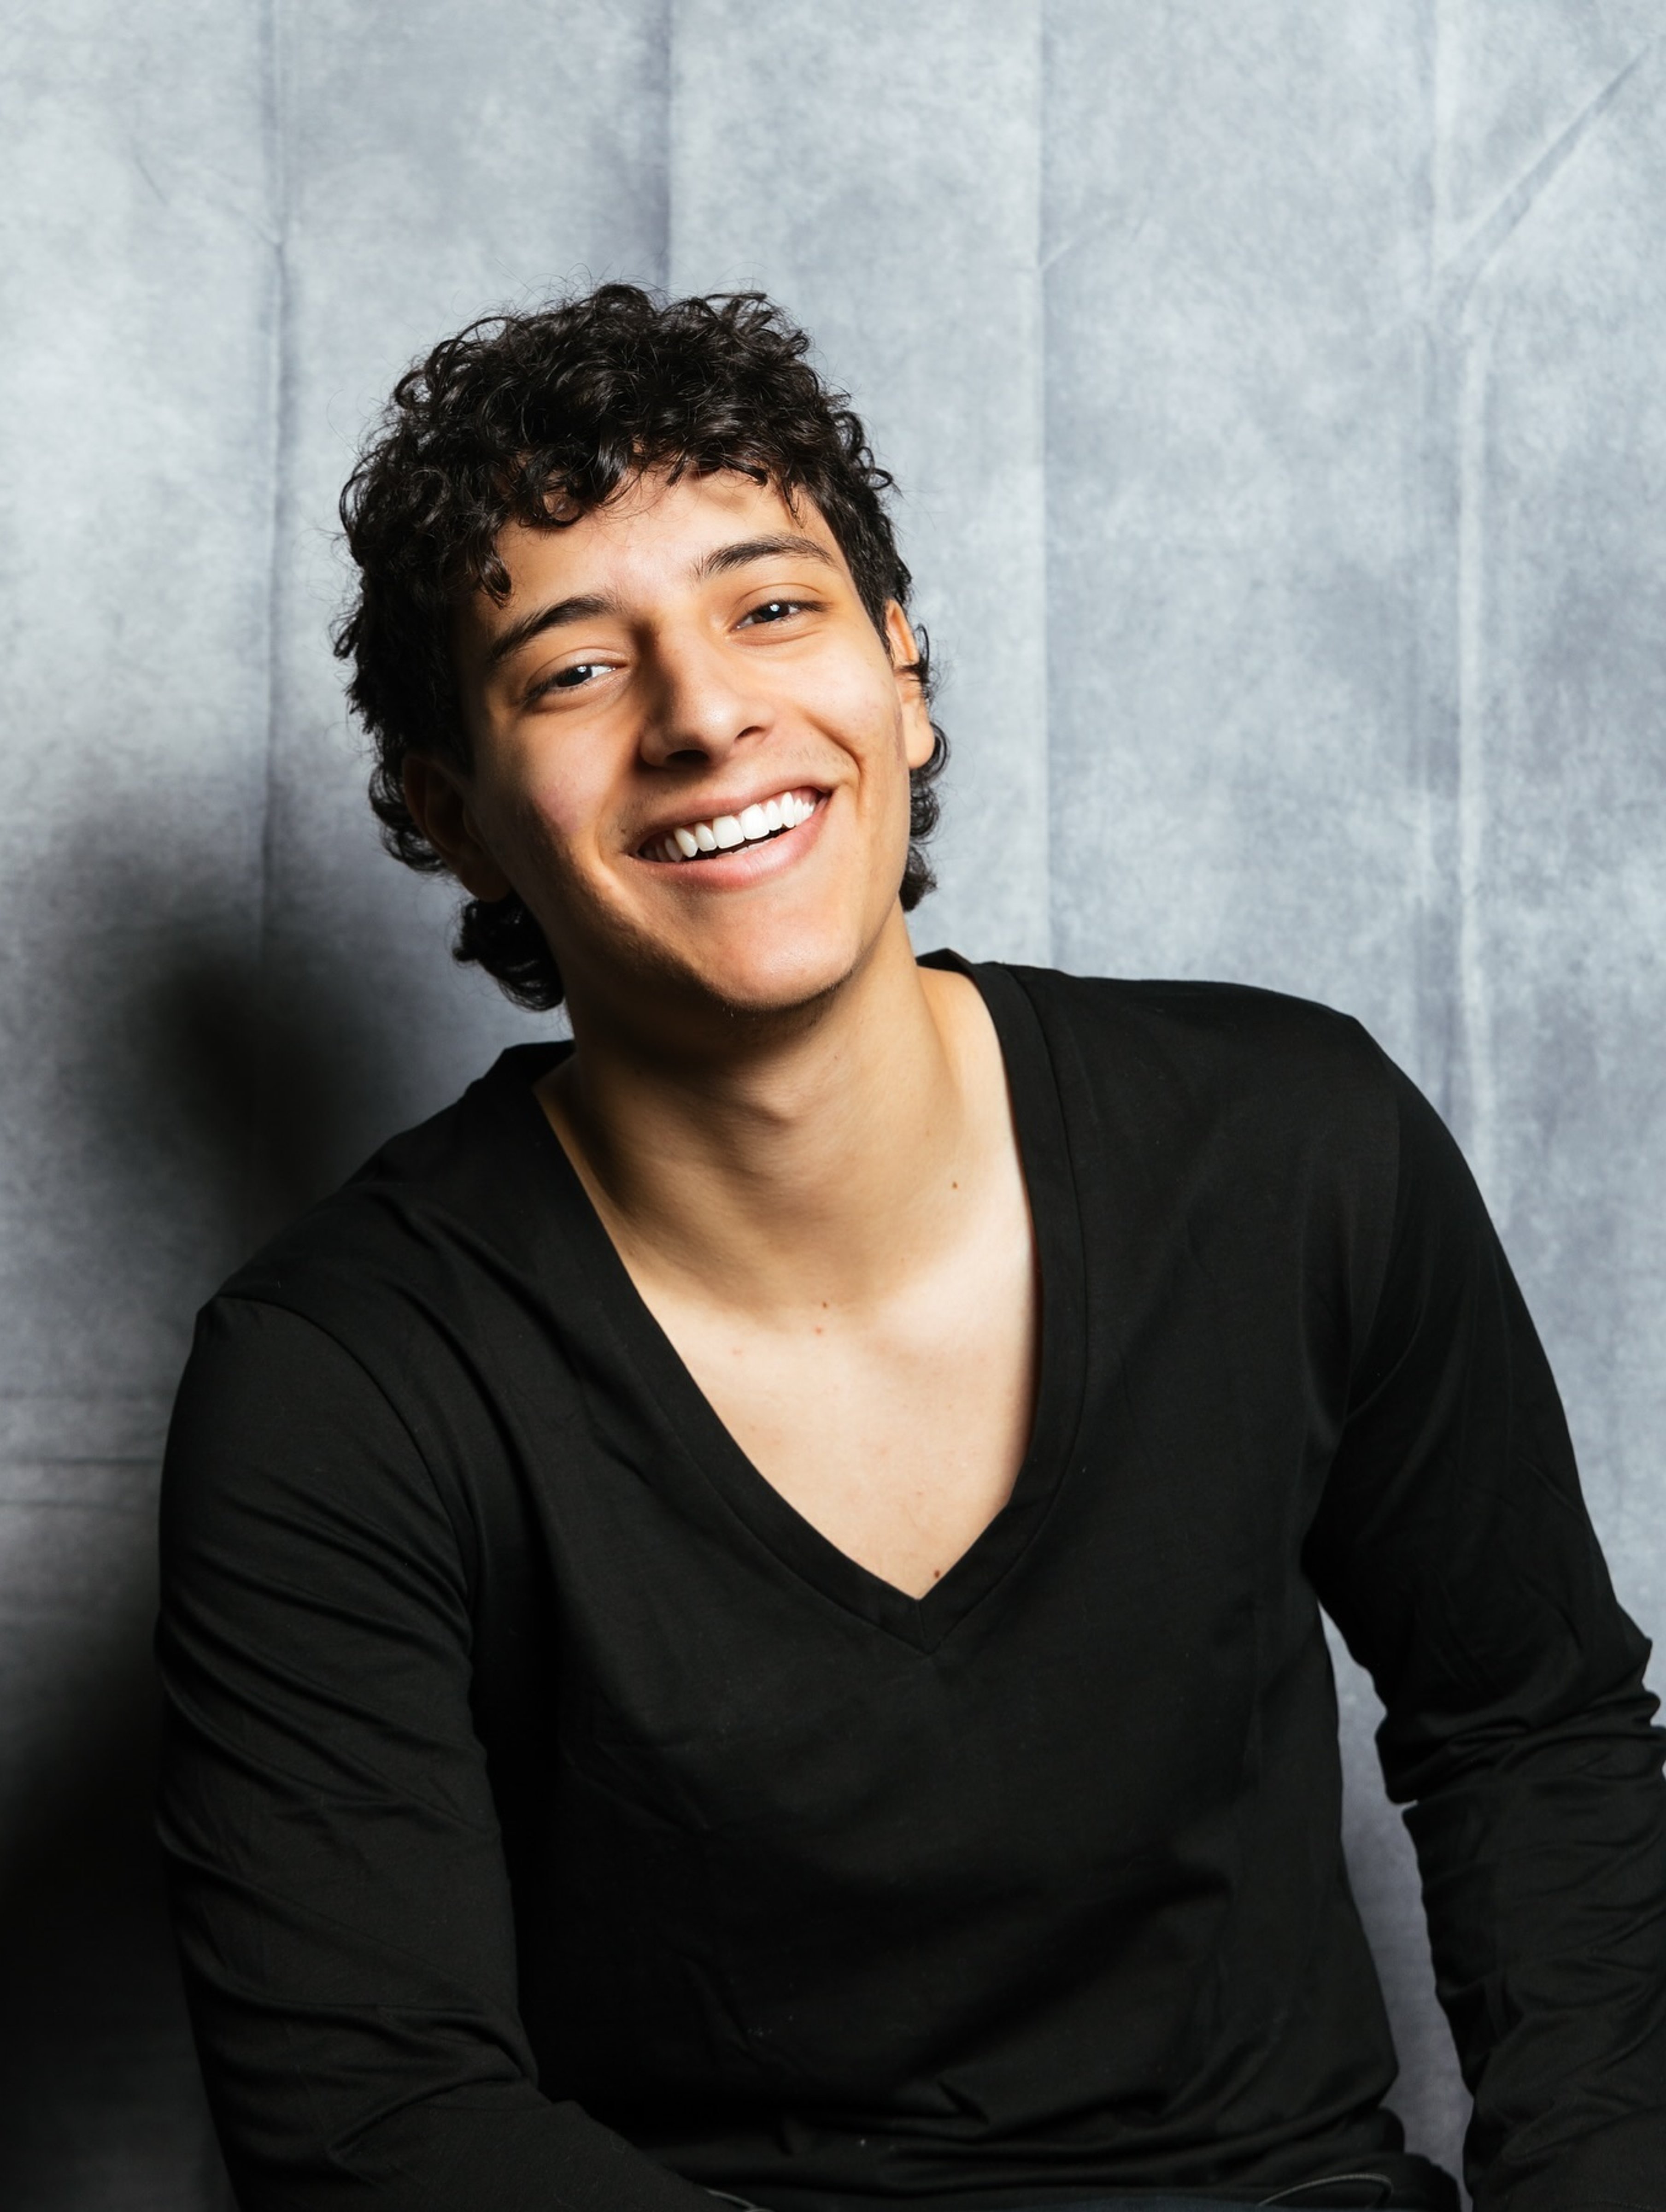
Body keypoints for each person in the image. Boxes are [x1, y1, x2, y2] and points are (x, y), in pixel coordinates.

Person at [155, 284, 1666, 2212]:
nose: (707, 714)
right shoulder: (343, 1378)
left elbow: (1532, 1733)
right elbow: (382, 2127)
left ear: (902, 668)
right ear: (455, 818)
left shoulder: (1294, 1148)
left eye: (770, 606)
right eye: (573, 670)